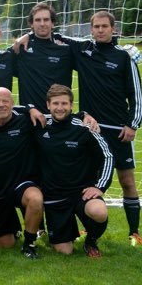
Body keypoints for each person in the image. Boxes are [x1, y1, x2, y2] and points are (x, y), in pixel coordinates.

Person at [53, 11, 142, 245]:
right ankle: (89, 230)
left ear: (114, 29)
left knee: (127, 181)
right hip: (91, 130)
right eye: (96, 26)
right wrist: (25, 37)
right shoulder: (83, 51)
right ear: (91, 29)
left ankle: (134, 232)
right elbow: (55, 34)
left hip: (119, 131)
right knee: (88, 182)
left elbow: (137, 96)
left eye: (105, 26)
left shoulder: (124, 57)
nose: (100, 30)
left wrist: (132, 125)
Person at [35, 84, 114, 257]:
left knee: (98, 212)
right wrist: (30, 108)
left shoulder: (85, 128)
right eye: (55, 103)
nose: (60, 108)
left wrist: (100, 187)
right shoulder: (39, 125)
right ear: (48, 105)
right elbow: (8, 110)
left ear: (71, 105)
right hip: (54, 196)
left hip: (81, 192)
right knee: (65, 252)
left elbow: (107, 155)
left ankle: (91, 241)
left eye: (64, 103)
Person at [0, 87, 44, 259]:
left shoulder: (26, 121)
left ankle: (29, 245)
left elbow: (58, 115)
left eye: (5, 101)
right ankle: (14, 230)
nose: (1, 105)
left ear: (13, 103)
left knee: (36, 199)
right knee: (5, 244)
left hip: (21, 185)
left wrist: (83, 115)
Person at [13, 2, 73, 113]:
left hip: (58, 116)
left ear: (53, 23)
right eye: (37, 20)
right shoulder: (21, 48)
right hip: (30, 117)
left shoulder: (66, 49)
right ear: (31, 24)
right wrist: (28, 35)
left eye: (46, 20)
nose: (42, 23)